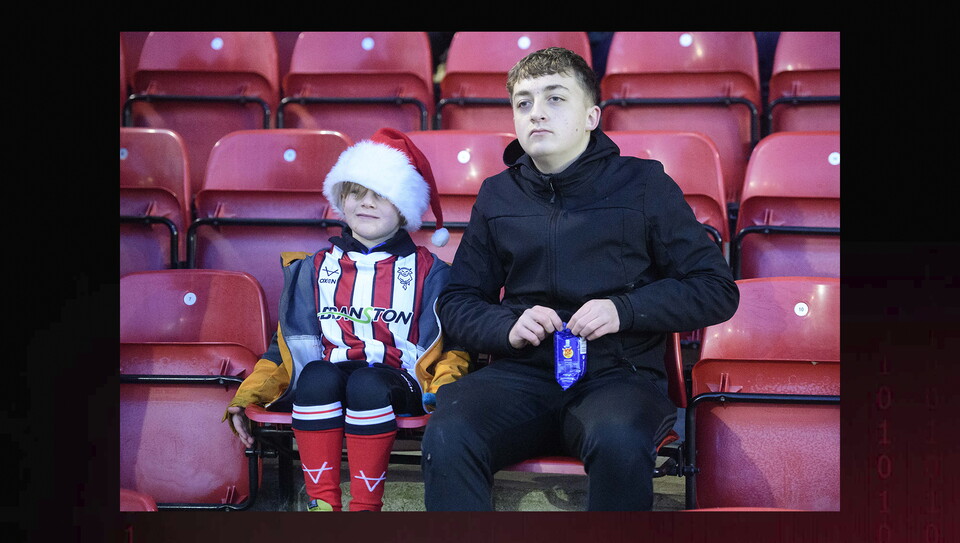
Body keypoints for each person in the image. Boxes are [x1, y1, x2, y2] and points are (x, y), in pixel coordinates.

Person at [420, 47, 739, 511]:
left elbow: (715, 289)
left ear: (591, 116)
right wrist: (505, 328)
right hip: (521, 374)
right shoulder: (497, 193)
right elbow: (459, 300)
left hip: (618, 378)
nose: (536, 113)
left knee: (618, 440)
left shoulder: (645, 185)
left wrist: (623, 310)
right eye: (523, 102)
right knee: (449, 431)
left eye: (555, 98)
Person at [224, 128, 470, 512]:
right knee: (317, 374)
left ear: (404, 207)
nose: (366, 204)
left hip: (399, 383)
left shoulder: (431, 272)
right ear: (340, 199)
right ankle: (323, 509)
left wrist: (445, 394)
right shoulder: (313, 269)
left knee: (368, 382)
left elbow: (453, 349)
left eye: (381, 195)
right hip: (329, 379)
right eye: (356, 192)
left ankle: (364, 510)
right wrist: (247, 396)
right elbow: (284, 349)